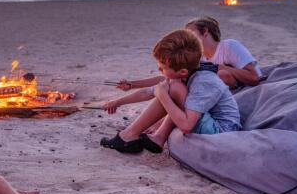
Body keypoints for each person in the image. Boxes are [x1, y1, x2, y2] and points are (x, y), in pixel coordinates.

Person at [101, 30, 241, 154]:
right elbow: (148, 92)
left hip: (221, 130)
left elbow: (186, 126)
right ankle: (157, 138)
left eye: (162, 68)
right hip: (210, 121)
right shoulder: (189, 71)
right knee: (172, 87)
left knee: (174, 88)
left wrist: (162, 96)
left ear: (182, 71)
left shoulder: (204, 81)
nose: (159, 70)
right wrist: (117, 102)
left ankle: (128, 136)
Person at [117, 16, 262, 91]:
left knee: (222, 75)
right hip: (218, 90)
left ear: (205, 32)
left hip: (241, 87)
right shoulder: (197, 56)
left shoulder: (229, 46)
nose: (188, 38)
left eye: (191, 33)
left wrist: (222, 68)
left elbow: (255, 78)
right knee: (176, 83)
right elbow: (169, 75)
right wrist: (132, 84)